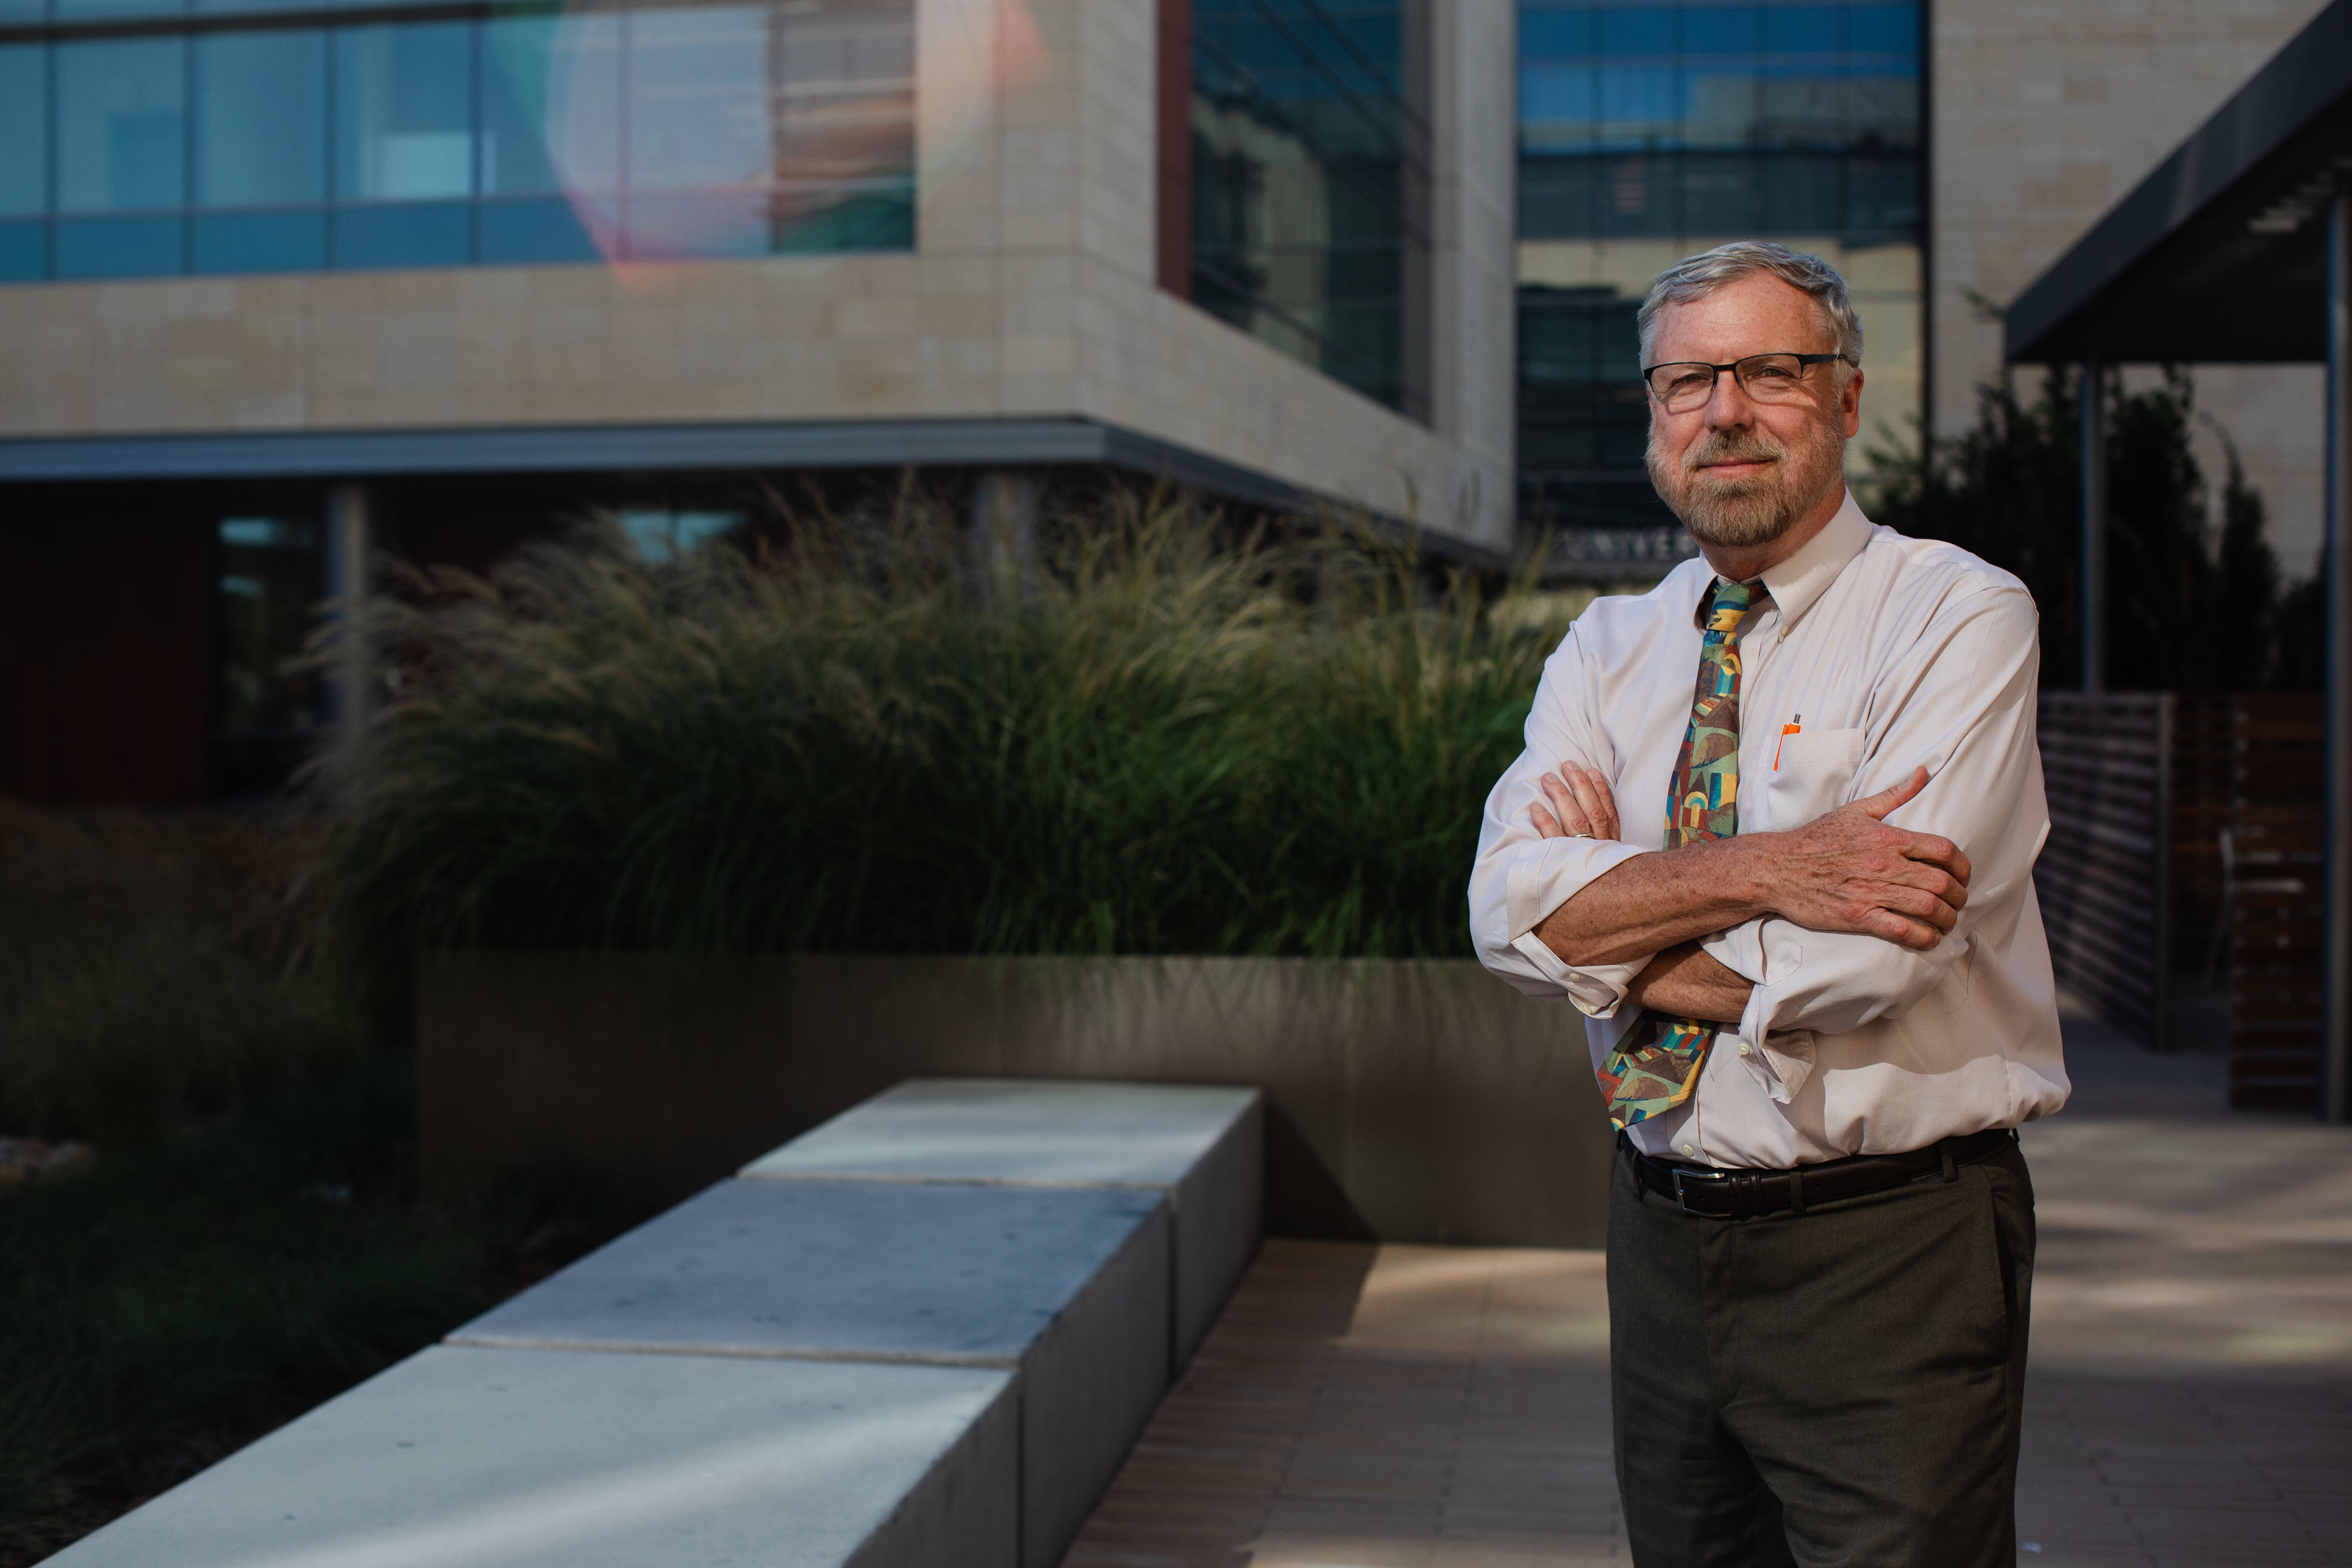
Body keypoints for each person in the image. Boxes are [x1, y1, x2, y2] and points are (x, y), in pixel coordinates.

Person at [1468, 240, 2067, 1567]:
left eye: (1769, 372)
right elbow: (1502, 910)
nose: (1724, 411)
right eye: (1687, 382)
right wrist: (1774, 870)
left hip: (1894, 1248)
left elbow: (1870, 970)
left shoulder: (1958, 616)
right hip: (1660, 1236)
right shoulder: (1607, 644)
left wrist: (1605, 924)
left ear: (1847, 400)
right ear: (1653, 415)